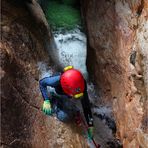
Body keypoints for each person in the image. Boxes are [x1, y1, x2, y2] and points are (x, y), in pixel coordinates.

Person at [39, 66, 94, 139]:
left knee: (71, 105)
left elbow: (86, 106)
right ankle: (55, 102)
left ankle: (70, 107)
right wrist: (46, 100)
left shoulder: (81, 84)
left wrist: (91, 125)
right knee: (63, 116)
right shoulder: (57, 81)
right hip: (57, 92)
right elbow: (42, 83)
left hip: (66, 93)